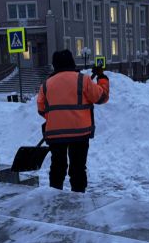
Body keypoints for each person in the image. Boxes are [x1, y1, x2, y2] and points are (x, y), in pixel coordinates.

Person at [37, 49, 109, 193]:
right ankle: (78, 199)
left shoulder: (46, 84)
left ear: (54, 64)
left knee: (57, 166)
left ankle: (55, 196)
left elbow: (41, 108)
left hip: (55, 134)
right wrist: (101, 77)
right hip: (80, 133)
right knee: (78, 167)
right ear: (72, 62)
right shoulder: (83, 79)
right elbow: (101, 97)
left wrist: (58, 119)